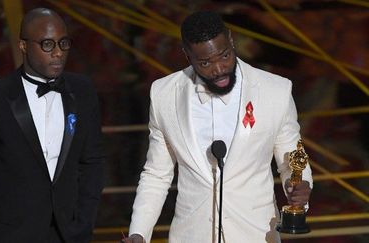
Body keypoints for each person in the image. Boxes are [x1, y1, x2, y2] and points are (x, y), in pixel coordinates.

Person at [123, 11, 312, 243]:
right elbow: (157, 174)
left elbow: (292, 159)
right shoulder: (164, 94)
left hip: (256, 234)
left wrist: (300, 187)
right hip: (191, 235)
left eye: (224, 56)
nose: (218, 69)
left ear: (231, 40)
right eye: (205, 62)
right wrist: (139, 232)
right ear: (187, 55)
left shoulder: (276, 91)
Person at [0, 8, 105, 243]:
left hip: (68, 234)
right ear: (23, 46)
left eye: (63, 43)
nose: (58, 53)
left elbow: (93, 161)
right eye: (47, 44)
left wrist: (84, 221)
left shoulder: (83, 90)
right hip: (9, 235)